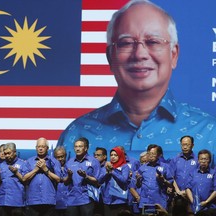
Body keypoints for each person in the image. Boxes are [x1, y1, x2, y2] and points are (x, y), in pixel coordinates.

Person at [57, 0, 216, 157]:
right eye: (126, 43)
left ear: (173, 55)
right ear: (110, 57)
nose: (140, 54)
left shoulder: (210, 134)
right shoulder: (76, 135)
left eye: (153, 42)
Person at [23, 137, 61, 216]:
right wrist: (36, 170)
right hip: (33, 200)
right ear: (36, 148)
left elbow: (58, 179)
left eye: (43, 147)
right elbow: (24, 179)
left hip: (49, 200)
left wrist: (45, 169)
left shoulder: (54, 161)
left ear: (47, 148)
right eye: (38, 146)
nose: (40, 148)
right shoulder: (29, 161)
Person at [63, 137, 100, 216]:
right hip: (72, 199)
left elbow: (97, 181)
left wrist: (86, 176)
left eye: (80, 146)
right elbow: (65, 183)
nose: (77, 149)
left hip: (87, 199)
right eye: (76, 146)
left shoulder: (94, 161)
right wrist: (69, 176)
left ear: (86, 148)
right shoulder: (69, 162)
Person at [130, 145, 173, 211]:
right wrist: (138, 180)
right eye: (149, 153)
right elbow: (138, 185)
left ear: (158, 155)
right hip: (145, 202)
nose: (150, 156)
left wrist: (163, 180)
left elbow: (171, 185)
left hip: (159, 202)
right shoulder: (142, 168)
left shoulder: (165, 167)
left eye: (153, 154)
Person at [0, 142, 26, 216]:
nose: (7, 155)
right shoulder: (1, 165)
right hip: (3, 201)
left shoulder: (23, 164)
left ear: (15, 152)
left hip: (17, 202)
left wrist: (16, 172)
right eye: (5, 153)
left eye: (9, 153)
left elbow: (26, 181)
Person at [98, 147, 131, 216]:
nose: (113, 157)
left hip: (119, 200)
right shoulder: (106, 166)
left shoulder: (125, 167)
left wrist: (112, 171)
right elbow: (100, 180)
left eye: (115, 155)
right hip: (108, 199)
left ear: (120, 156)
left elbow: (124, 180)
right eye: (111, 155)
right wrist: (107, 173)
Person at [186, 149, 216, 214]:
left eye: (206, 159)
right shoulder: (192, 173)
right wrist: (193, 202)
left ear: (209, 160)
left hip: (210, 208)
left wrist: (206, 202)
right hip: (194, 208)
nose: (203, 161)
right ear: (198, 160)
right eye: (201, 159)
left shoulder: (214, 173)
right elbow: (188, 188)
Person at [53, 146, 68, 216]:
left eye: (62, 156)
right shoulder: (51, 168)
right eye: (58, 157)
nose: (60, 159)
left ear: (65, 156)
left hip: (69, 202)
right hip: (55, 203)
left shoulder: (71, 166)